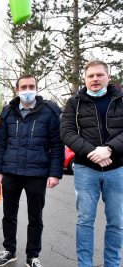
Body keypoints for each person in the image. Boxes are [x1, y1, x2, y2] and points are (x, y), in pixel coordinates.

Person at [0, 74, 64, 267]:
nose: (27, 90)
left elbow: (57, 145)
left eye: (31, 86)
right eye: (23, 87)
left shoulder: (50, 112)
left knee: (35, 217)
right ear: (17, 90)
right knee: (9, 214)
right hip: (11, 172)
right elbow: (1, 144)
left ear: (37, 89)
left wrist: (55, 173)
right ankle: (9, 250)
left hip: (37, 174)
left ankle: (32, 256)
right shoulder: (7, 112)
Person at [60, 60, 123, 267]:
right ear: (85, 79)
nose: (95, 79)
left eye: (99, 75)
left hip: (117, 169)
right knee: (85, 221)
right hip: (86, 169)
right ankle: (84, 264)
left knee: (116, 222)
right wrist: (93, 151)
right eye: (90, 76)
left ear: (108, 77)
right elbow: (67, 132)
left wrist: (110, 149)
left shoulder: (121, 98)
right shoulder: (74, 102)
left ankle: (112, 264)